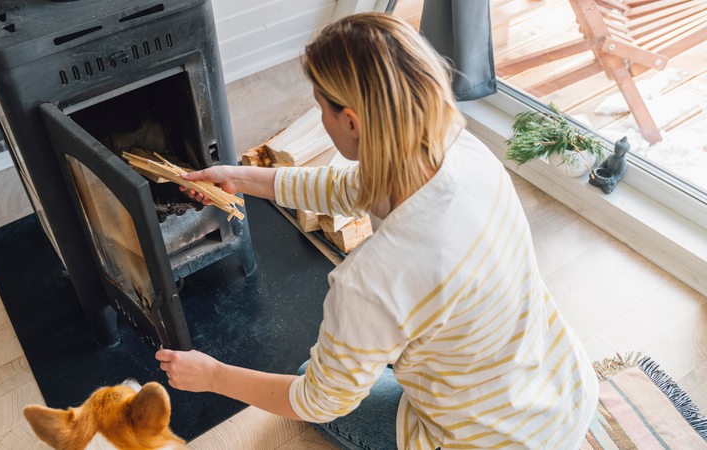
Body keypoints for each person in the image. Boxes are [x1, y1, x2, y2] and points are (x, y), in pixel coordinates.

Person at [156, 12, 598, 450]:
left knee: (307, 380)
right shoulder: (463, 150)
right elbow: (352, 187)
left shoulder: (373, 280)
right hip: (563, 391)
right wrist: (242, 178)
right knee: (362, 353)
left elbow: (320, 401)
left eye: (320, 108)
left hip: (493, 442)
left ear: (351, 121)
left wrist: (212, 375)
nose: (322, 120)